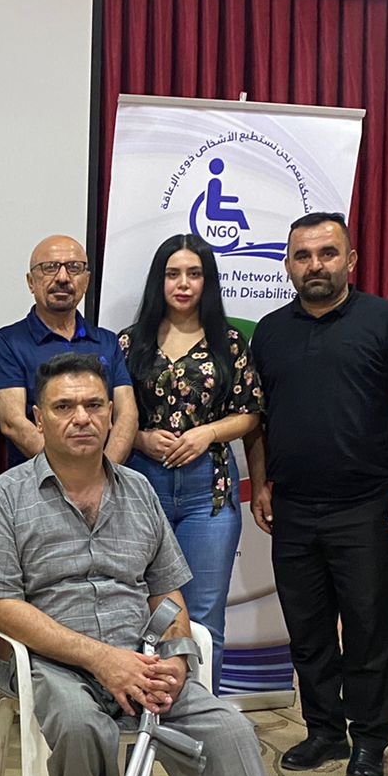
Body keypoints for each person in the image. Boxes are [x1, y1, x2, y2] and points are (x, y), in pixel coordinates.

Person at [0, 354, 375, 776]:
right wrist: (102, 660)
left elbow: (168, 591)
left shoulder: (137, 492)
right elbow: (1, 607)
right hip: (55, 663)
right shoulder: (7, 495)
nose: (81, 418)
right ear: (39, 420)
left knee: (228, 729)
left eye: (93, 405)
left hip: (144, 658)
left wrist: (178, 659)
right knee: (79, 726)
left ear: (112, 414)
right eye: (64, 407)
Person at [245, 213, 388, 776]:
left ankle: (369, 740)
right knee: (308, 628)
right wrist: (261, 482)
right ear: (288, 264)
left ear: (351, 260)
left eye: (327, 253)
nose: (315, 265)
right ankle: (324, 731)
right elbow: (259, 420)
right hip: (293, 507)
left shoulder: (387, 322)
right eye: (303, 255)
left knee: (368, 629)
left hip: (366, 505)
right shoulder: (270, 331)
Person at [117, 235, 263, 689]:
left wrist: (208, 433)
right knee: (146, 613)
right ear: (158, 281)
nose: (183, 284)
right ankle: (150, 713)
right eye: (173, 274)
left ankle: (204, 714)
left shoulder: (230, 341)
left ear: (207, 281)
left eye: (194, 274)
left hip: (209, 494)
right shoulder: (129, 342)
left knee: (203, 616)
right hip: (144, 487)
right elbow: (113, 414)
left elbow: (251, 412)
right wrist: (140, 438)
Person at [0, 234, 137, 467]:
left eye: (74, 268)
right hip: (38, 480)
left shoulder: (107, 341)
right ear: (31, 282)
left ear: (86, 281)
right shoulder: (7, 342)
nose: (63, 278)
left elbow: (127, 416)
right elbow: (13, 423)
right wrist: (69, 475)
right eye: (50, 268)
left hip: (104, 478)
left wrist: (103, 474)